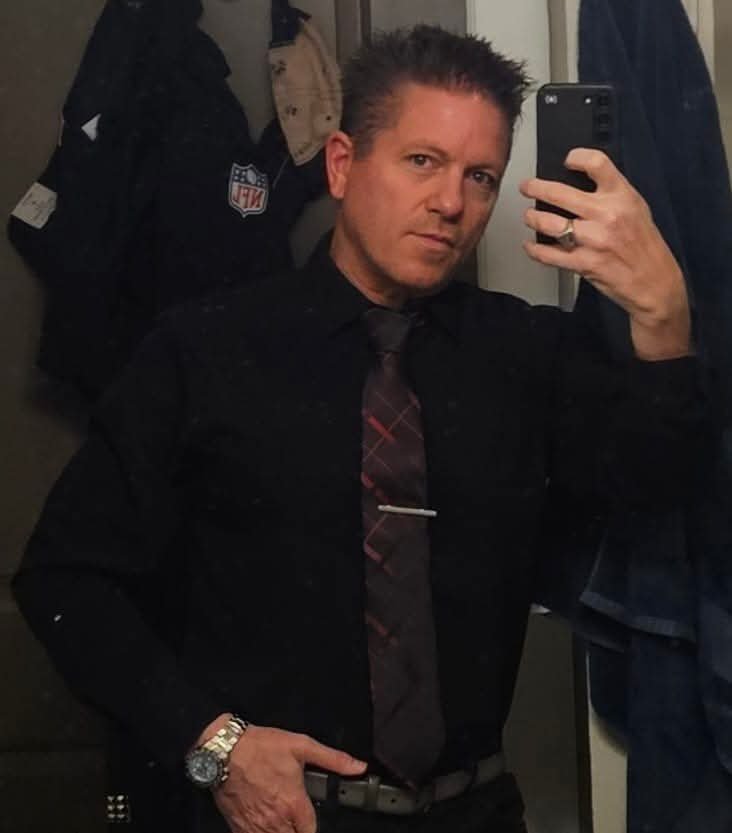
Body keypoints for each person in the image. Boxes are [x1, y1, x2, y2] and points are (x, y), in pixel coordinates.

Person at [13, 24, 702, 833]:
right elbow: (64, 579)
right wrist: (213, 746)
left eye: (480, 176)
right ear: (341, 165)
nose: (451, 202)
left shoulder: (524, 355)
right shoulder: (203, 353)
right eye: (423, 161)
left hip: (474, 811)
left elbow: (659, 491)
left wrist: (665, 319)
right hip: (276, 817)